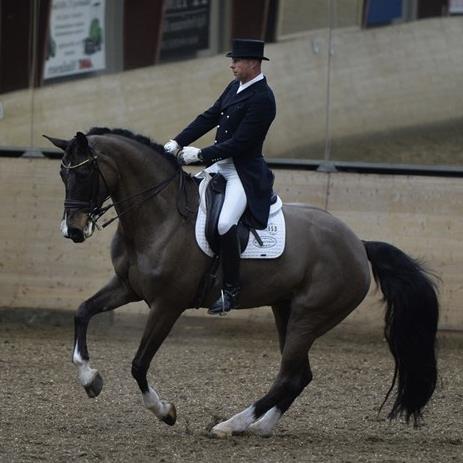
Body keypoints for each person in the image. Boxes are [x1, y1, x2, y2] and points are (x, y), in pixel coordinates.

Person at [164, 38, 276, 315]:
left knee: (225, 223)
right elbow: (209, 116)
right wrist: (176, 142)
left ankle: (231, 291)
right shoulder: (235, 86)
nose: (232, 65)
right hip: (219, 166)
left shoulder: (263, 98)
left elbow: (241, 143)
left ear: (252, 63)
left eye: (236, 61)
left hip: (242, 171)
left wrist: (200, 155)